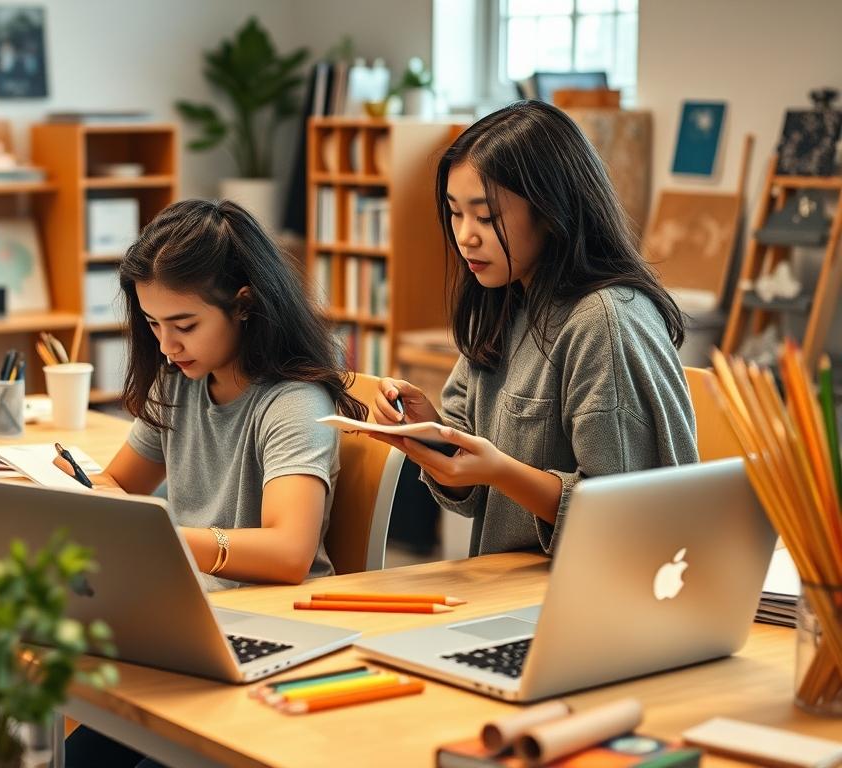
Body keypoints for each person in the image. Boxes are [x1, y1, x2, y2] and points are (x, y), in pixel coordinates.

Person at [62, 199, 366, 766]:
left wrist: (163, 538)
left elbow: (288, 551)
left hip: (270, 630)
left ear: (244, 305)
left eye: (184, 325)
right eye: (152, 324)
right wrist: (68, 491)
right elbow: (118, 485)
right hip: (190, 623)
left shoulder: (293, 403)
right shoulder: (179, 382)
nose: (166, 346)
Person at [367, 100, 697, 558]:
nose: (465, 235)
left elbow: (623, 520)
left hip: (581, 602)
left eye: (486, 216)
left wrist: (498, 470)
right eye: (455, 213)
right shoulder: (504, 299)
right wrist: (429, 431)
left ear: (551, 211)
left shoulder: (604, 321)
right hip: (510, 589)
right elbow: (470, 488)